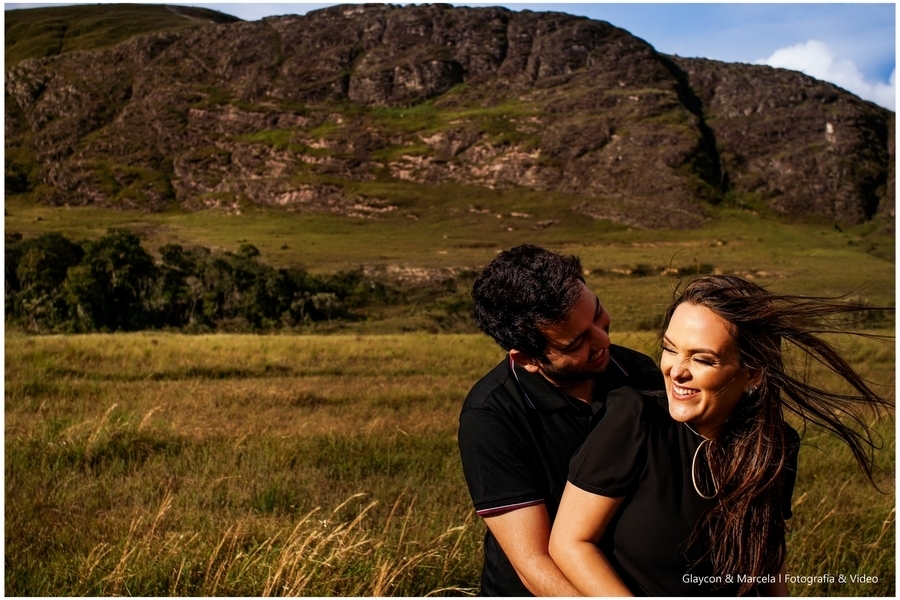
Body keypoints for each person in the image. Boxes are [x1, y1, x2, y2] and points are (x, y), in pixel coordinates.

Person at [549, 275, 892, 596]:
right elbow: (569, 542)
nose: (676, 371)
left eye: (702, 359)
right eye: (670, 349)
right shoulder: (636, 418)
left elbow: (768, 566)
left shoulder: (775, 444)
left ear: (754, 373)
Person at [458, 244, 665, 596]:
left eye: (598, 315)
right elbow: (533, 564)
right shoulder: (490, 417)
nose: (604, 340)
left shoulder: (639, 371)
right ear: (527, 359)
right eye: (576, 343)